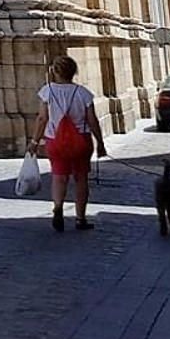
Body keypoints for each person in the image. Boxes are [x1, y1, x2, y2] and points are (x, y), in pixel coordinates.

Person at [31, 55, 107, 231]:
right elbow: (92, 121)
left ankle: (58, 207)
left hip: (55, 141)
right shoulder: (83, 93)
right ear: (74, 72)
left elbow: (42, 118)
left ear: (55, 71)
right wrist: (100, 143)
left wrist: (35, 141)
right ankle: (80, 219)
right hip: (81, 141)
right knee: (81, 179)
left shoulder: (47, 91)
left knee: (59, 177)